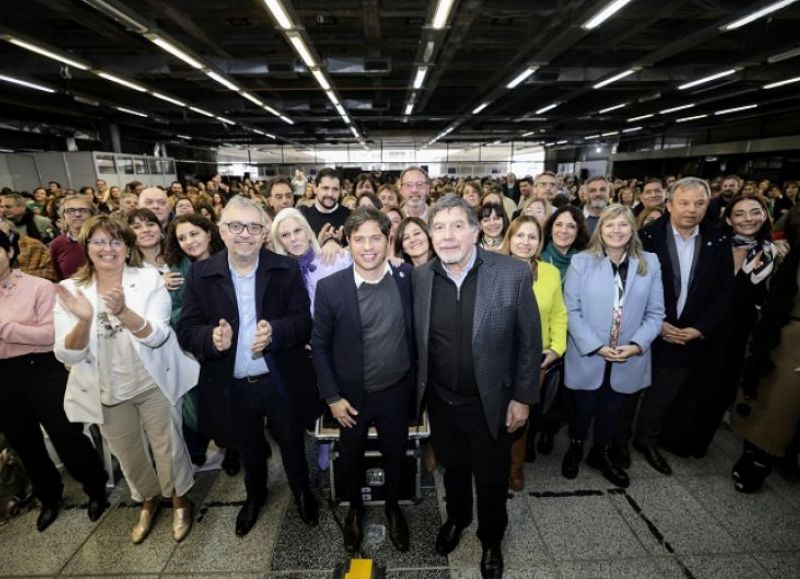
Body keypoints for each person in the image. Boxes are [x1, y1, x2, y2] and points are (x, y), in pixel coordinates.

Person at [413, 194, 541, 579]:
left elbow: (529, 342)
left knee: (490, 476)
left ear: (475, 231)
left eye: (457, 226)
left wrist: (522, 397)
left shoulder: (511, 274)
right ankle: (457, 519)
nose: (447, 236)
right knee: (452, 468)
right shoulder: (421, 278)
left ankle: (491, 538)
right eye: (438, 227)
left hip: (493, 402)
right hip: (441, 400)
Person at [176, 196, 319, 537]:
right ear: (222, 232)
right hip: (232, 384)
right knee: (249, 446)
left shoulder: (284, 269)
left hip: (279, 379)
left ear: (264, 234)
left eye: (254, 227)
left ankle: (301, 490)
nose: (245, 234)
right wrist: (211, 338)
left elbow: (302, 321)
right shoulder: (201, 273)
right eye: (236, 226)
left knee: (291, 442)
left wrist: (276, 332)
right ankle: (255, 496)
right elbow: (186, 328)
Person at [53, 215, 198, 544]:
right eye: (99, 241)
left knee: (168, 445)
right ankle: (148, 499)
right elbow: (67, 354)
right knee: (127, 452)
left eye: (116, 241)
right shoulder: (72, 290)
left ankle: (179, 499)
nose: (108, 248)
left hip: (152, 381)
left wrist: (123, 312)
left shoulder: (148, 279)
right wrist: (84, 321)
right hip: (106, 389)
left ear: (127, 247)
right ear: (86, 246)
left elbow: (159, 335)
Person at [312, 207, 414, 553]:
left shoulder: (407, 279)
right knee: (352, 457)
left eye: (375, 238)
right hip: (350, 399)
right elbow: (321, 347)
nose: (368, 246)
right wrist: (332, 398)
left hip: (397, 392)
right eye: (359, 239)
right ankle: (355, 508)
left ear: (389, 241)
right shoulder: (330, 288)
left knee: (396, 455)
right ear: (348, 243)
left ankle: (392, 507)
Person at [620, 177, 735, 475]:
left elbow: (724, 290)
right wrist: (656, 323)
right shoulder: (646, 236)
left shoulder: (719, 239)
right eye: (684, 202)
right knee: (629, 390)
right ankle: (619, 441)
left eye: (699, 203)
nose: (691, 210)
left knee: (663, 393)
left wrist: (701, 328)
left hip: (688, 333)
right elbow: (631, 285)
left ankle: (646, 440)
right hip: (648, 328)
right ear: (669, 204)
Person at [0, 229, 109, 532]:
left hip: (42, 369)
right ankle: (49, 496)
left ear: (9, 252)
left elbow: (50, 336)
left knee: (66, 435)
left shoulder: (40, 288)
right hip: (3, 378)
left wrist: (7, 329)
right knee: (24, 442)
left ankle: (95, 488)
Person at [561, 205, 665, 488]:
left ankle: (602, 452)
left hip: (627, 355)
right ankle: (576, 445)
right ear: (600, 230)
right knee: (583, 405)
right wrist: (594, 346)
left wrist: (636, 345)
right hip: (589, 353)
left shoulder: (650, 262)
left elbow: (656, 313)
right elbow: (571, 310)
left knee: (613, 407)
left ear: (633, 229)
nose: (616, 231)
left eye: (623, 225)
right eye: (610, 225)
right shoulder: (582, 261)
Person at [691, 195, 775, 457]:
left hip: (739, 330)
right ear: (728, 219)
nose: (747, 219)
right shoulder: (713, 245)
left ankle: (700, 440)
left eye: (754, 212)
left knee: (722, 384)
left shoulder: (774, 253)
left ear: (764, 215)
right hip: (704, 324)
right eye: (739, 214)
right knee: (694, 380)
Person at [731, 205, 800, 492]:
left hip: (796, 342)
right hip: (773, 333)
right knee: (766, 400)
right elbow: (755, 283)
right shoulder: (782, 250)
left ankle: (765, 460)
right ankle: (754, 457)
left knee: (783, 407)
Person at [501, 216, 567, 490]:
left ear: (540, 243)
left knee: (520, 416)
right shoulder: (494, 269)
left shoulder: (550, 272)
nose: (525, 242)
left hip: (534, 359)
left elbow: (559, 314)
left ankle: (515, 466)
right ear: (510, 238)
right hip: (499, 359)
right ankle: (494, 462)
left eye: (532, 237)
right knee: (495, 414)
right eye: (520, 235)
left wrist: (556, 347)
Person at [271, 208, 352, 316]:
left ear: (308, 233)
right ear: (280, 242)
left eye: (297, 231)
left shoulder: (336, 259)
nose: (293, 238)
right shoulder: (280, 277)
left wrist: (333, 242)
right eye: (285, 235)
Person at [540, 206, 590, 282]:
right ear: (551, 228)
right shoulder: (537, 256)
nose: (563, 230)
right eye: (559, 224)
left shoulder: (585, 262)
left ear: (578, 232)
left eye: (571, 226)